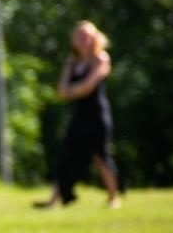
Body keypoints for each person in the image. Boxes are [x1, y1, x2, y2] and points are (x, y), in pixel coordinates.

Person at [37, 20, 120, 209]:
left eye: (86, 36)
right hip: (78, 116)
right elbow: (61, 91)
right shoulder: (72, 62)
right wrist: (76, 90)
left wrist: (72, 90)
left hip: (97, 115)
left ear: (94, 38)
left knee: (100, 157)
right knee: (66, 156)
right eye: (79, 35)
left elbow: (88, 87)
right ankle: (54, 199)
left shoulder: (101, 59)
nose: (82, 39)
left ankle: (113, 197)